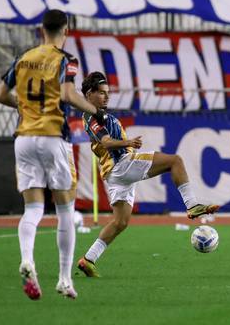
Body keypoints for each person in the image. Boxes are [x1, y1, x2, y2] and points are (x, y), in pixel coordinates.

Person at [0, 9, 106, 299]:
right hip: (54, 137)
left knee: (32, 209)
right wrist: (97, 112)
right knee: (65, 210)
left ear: (41, 30)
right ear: (65, 31)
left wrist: (24, 108)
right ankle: (64, 279)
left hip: (24, 139)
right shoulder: (66, 60)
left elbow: (0, 95)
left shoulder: (23, 58)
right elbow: (68, 94)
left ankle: (28, 260)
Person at [76, 72, 219, 277]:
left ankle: (88, 259)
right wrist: (128, 143)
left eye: (107, 93)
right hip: (121, 164)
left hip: (114, 174)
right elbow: (105, 142)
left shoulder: (100, 114)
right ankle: (192, 205)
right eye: (100, 93)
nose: (106, 97)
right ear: (89, 94)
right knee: (175, 161)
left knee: (120, 222)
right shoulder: (91, 116)